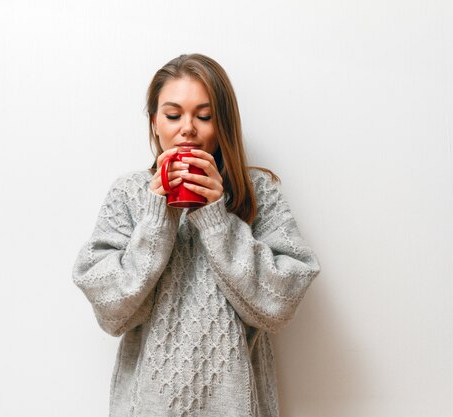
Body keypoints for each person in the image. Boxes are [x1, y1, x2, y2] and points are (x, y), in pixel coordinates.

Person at [72, 53, 321, 417]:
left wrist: (216, 217)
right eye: (173, 115)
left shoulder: (257, 193)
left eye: (204, 116)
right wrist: (158, 218)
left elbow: (279, 307)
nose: (187, 128)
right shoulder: (128, 194)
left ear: (223, 125)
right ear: (155, 122)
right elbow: (112, 313)